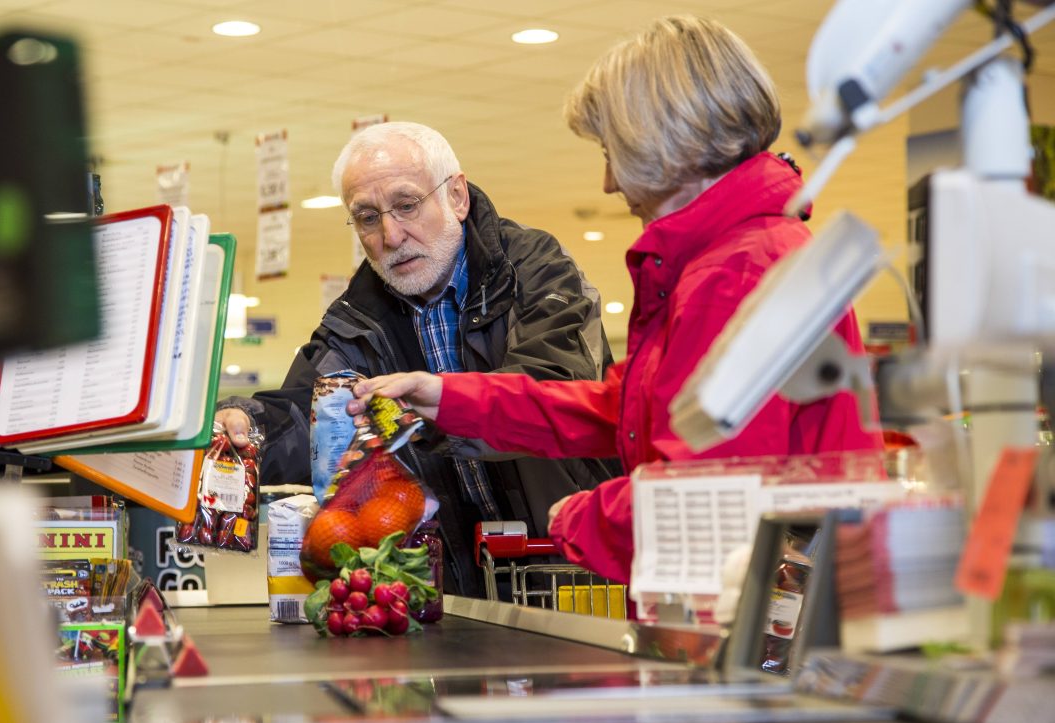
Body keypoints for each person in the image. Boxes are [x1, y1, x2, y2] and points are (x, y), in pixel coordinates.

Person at [347, 16, 884, 586]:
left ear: (666, 143)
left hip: (771, 613)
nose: (608, 180)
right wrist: (453, 399)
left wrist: (579, 520)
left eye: (612, 151)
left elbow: (710, 491)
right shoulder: (727, 257)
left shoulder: (740, 270)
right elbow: (624, 410)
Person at [216, 121, 619, 596]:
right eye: (367, 217)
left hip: (570, 568)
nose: (390, 234)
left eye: (406, 205)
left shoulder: (533, 268)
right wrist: (248, 424)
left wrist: (432, 410)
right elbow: (312, 411)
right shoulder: (356, 316)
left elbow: (553, 387)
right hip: (451, 589)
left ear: (457, 196)